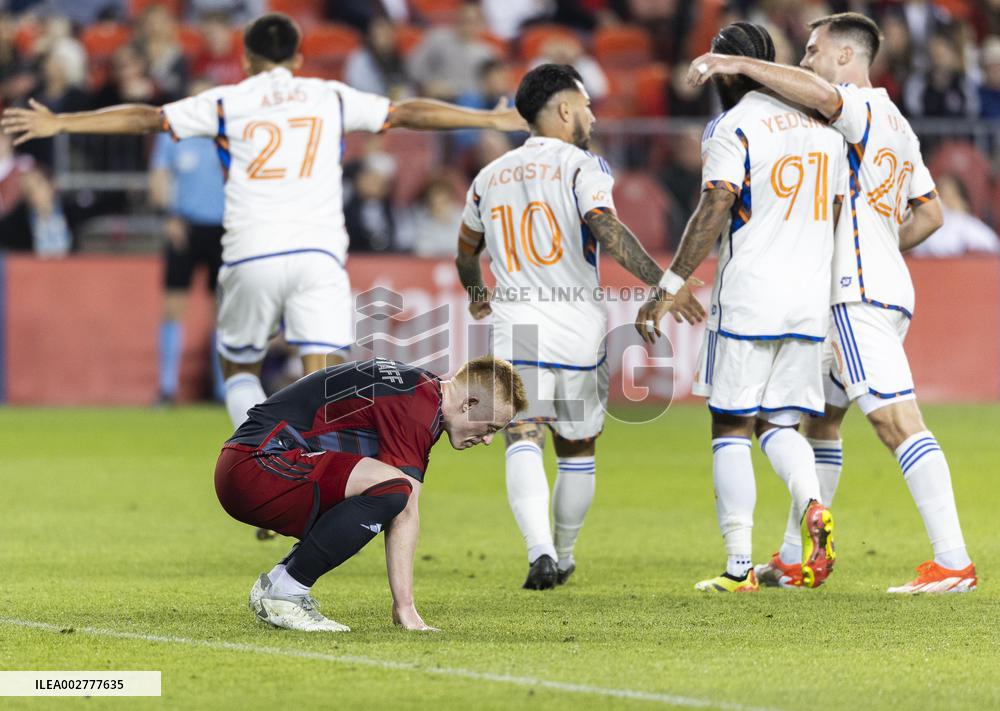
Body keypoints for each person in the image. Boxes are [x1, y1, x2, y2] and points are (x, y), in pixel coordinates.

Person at [1, 11, 526, 431]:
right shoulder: (330, 95)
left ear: (248, 59)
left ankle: (261, 457)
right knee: (319, 375)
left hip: (252, 250)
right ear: (298, 57)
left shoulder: (228, 100)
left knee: (239, 367)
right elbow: (407, 112)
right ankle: (315, 468)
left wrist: (60, 120)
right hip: (319, 254)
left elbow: (147, 117)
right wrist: (487, 117)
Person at [689, 11, 977, 593]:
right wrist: (878, 241)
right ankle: (796, 556)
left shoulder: (859, 106)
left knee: (898, 420)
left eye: (813, 52)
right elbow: (930, 213)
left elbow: (821, 95)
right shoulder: (897, 122)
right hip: (881, 285)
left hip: (856, 296)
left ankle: (953, 562)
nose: (804, 63)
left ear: (845, 57)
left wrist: (741, 63)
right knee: (821, 422)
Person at [639, 22, 843, 593]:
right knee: (779, 422)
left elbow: (716, 206)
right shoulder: (824, 129)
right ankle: (812, 505)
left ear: (726, 70)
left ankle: (737, 568)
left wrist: (670, 284)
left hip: (752, 294)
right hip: (807, 300)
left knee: (730, 424)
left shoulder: (733, 126)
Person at [456, 64, 677, 589]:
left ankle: (540, 551)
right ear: (562, 110)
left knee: (522, 434)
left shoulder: (489, 176)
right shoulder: (584, 165)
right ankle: (566, 552)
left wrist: (477, 297)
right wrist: (662, 282)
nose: (593, 116)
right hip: (578, 326)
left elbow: (466, 252)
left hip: (518, 326)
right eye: (585, 106)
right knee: (577, 449)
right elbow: (605, 227)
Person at [217, 356, 528, 632]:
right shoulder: (417, 408)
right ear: (470, 404)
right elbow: (405, 510)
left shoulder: (420, 389)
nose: (487, 440)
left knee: (384, 490)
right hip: (256, 467)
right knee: (394, 491)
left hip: (251, 461)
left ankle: (280, 583)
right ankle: (287, 592)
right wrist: (405, 609)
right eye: (491, 427)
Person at [149, 77, 226, 404]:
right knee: (172, 307)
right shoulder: (175, 137)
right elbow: (159, 177)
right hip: (185, 227)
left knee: (225, 312)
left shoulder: (230, 138)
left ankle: (224, 388)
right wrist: (168, 216)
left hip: (225, 229)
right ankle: (167, 388)